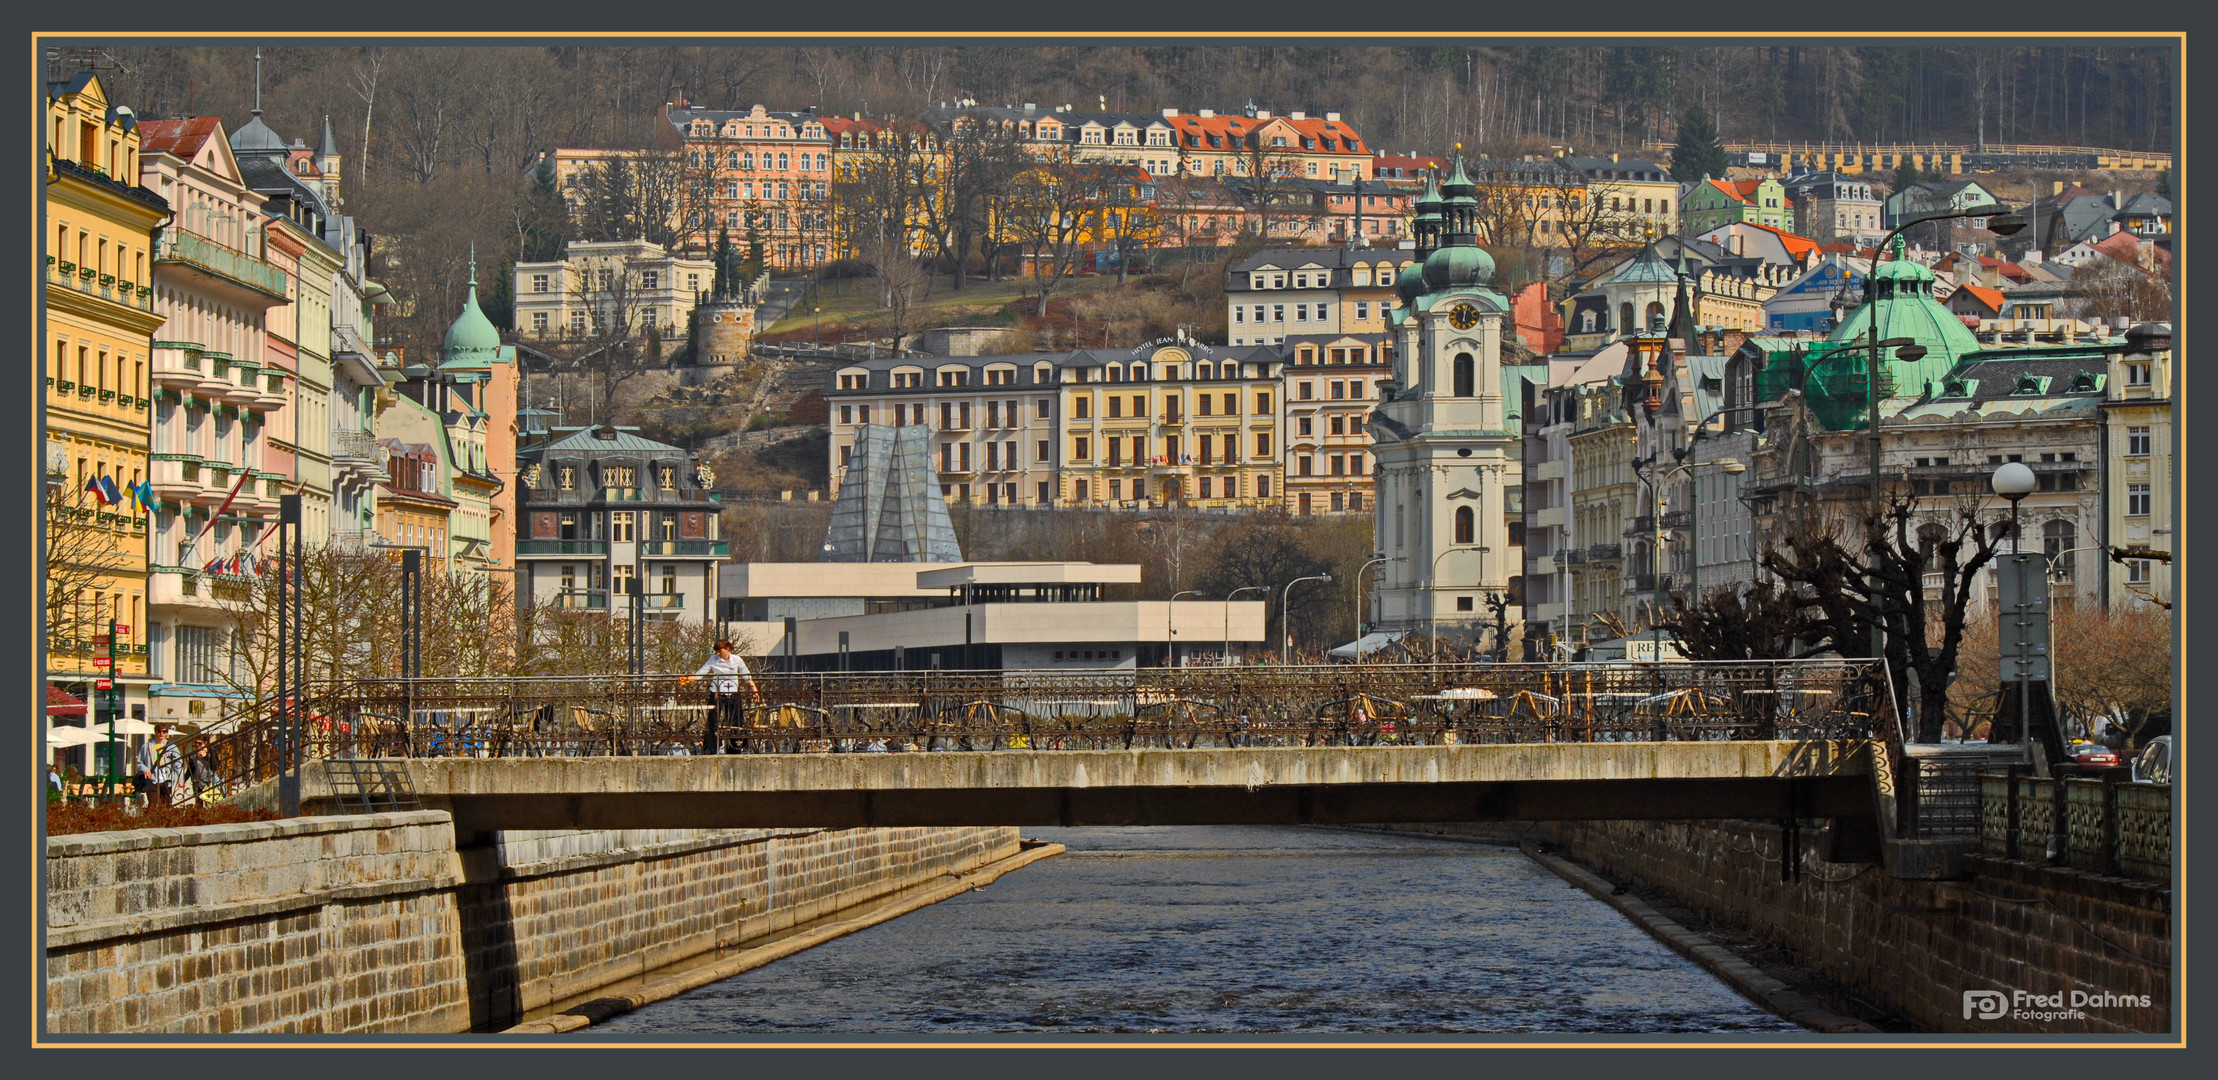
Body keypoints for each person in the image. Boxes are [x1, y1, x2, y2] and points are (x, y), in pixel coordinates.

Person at [680, 639, 759, 754]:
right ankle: (711, 747)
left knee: (735, 719)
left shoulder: (737, 660)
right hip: (717, 692)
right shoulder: (713, 659)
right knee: (713, 720)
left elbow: (746, 676)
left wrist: (754, 690)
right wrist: (688, 679)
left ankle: (734, 747)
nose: (718, 653)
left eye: (720, 651)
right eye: (716, 651)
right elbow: (701, 673)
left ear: (728, 649)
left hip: (732, 692)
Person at [137, 726, 182, 807]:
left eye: (164, 732)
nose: (161, 733)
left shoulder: (171, 746)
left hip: (167, 779)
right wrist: (145, 770)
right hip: (152, 779)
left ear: (166, 733)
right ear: (155, 732)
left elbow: (178, 763)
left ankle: (164, 819)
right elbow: (140, 762)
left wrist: (181, 779)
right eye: (159, 731)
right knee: (152, 804)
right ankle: (152, 819)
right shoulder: (146, 746)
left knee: (166, 804)